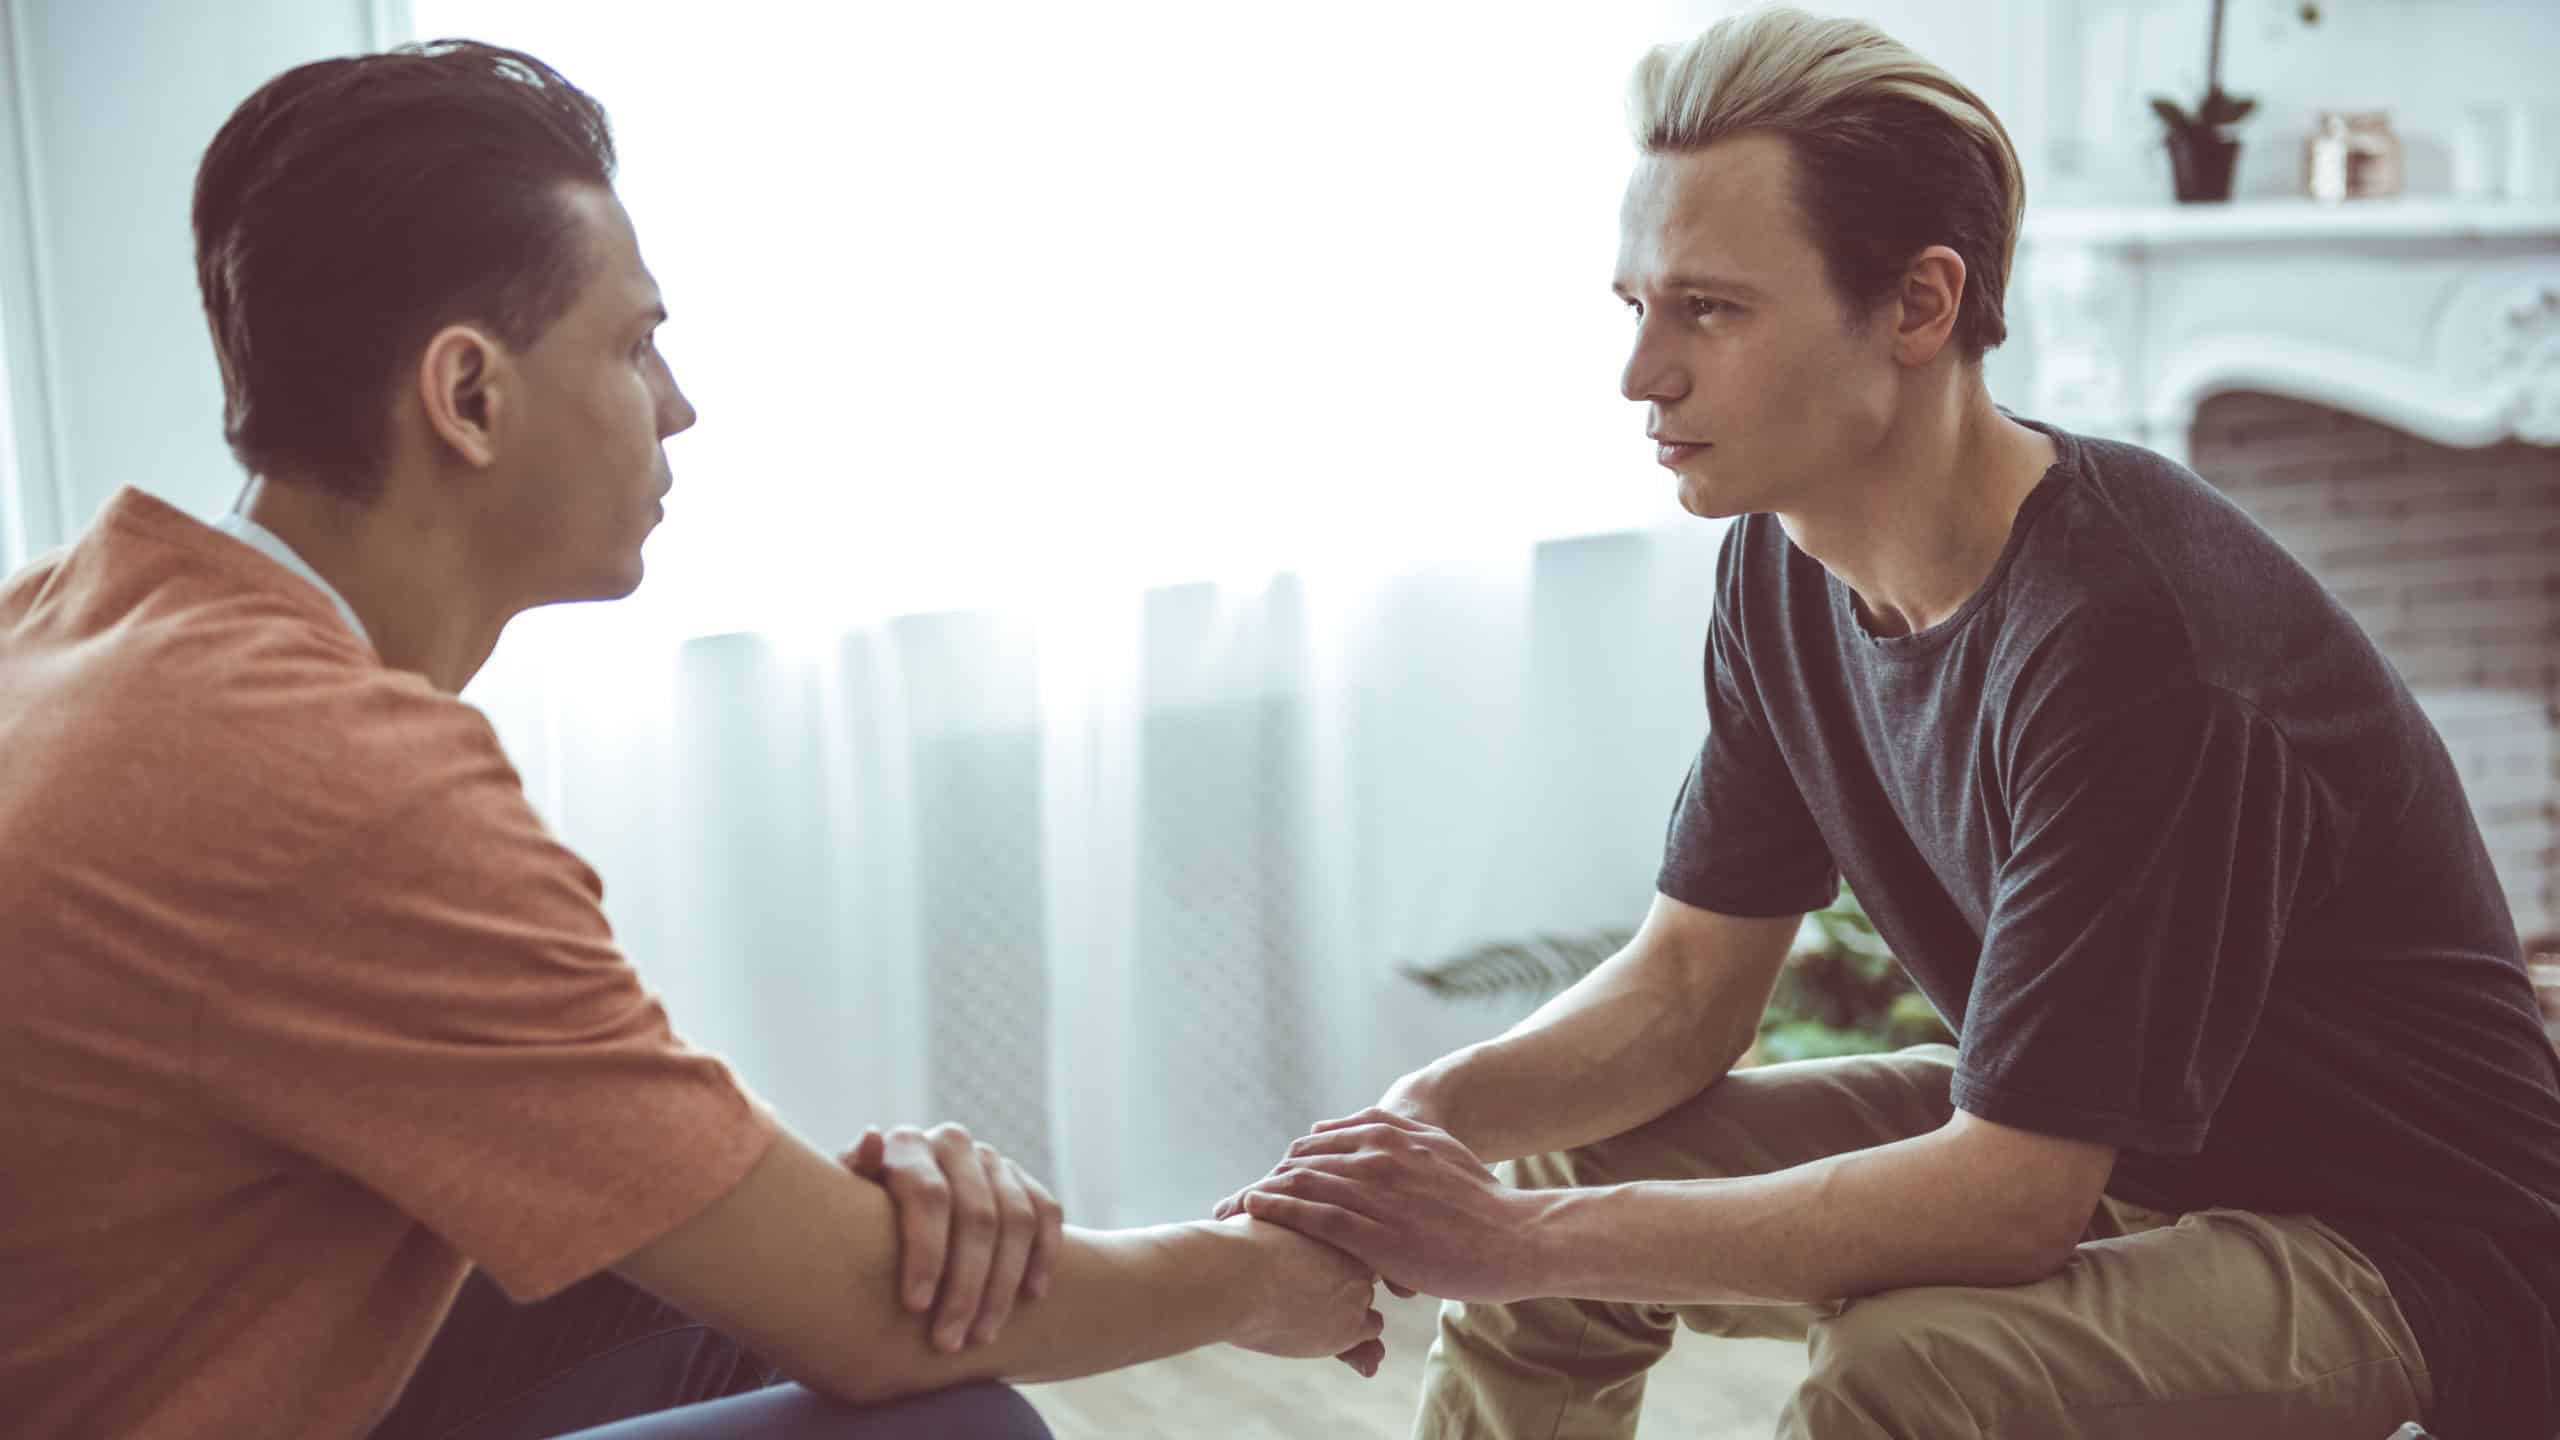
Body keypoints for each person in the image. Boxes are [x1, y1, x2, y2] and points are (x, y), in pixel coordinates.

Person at [0, 39, 1383, 1440]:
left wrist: (845, 1224)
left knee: (696, 1283)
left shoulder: (60, 617)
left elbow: (680, 1199)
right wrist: (1257, 1279)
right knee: (953, 1429)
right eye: (633, 343)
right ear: (467, 397)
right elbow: (874, 1326)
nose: (678, 405)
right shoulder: (338, 782)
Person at [1219, 9, 2560, 1437]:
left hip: (2411, 1242)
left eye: (1713, 311)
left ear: (1920, 306)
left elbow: (2009, 1201)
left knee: (1913, 1369)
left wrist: (1506, 1247)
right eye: (1638, 306)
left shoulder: (2133, 639)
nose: (1643, 376)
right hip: (2120, 1141)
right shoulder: (1788, 558)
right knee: (1557, 1164)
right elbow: (1684, 988)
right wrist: (1421, 1124)